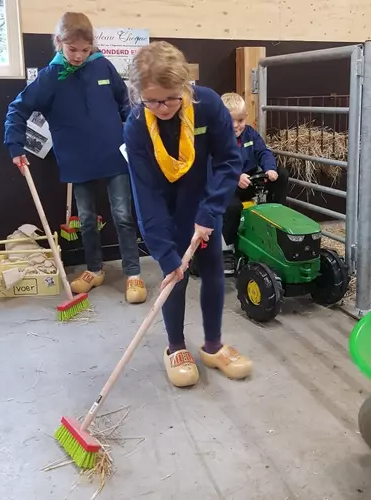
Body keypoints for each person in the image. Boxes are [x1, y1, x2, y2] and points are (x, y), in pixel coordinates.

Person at [124, 41, 253, 387]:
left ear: (184, 87)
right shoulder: (136, 125)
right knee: (174, 277)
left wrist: (210, 211)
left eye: (169, 98)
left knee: (212, 272)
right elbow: (145, 196)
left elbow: (229, 161)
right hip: (165, 211)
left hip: (202, 205)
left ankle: (212, 345)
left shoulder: (208, 105)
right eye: (152, 100)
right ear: (139, 96)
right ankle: (175, 347)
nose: (162, 107)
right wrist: (166, 253)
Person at [4, 12, 146, 304]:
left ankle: (133, 272)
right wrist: (15, 146)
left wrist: (136, 134)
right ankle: (95, 269)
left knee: (122, 215)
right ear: (59, 43)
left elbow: (125, 103)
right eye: (73, 50)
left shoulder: (103, 66)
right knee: (85, 219)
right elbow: (17, 110)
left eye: (85, 49)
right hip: (77, 160)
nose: (80, 56)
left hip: (113, 156)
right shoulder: (50, 78)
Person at [220, 92, 289, 270]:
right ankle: (226, 249)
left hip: (250, 181)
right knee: (232, 206)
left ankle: (276, 219)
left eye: (240, 121)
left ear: (246, 118)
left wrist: (270, 169)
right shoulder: (216, 139)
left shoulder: (250, 134)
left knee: (282, 174)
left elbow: (263, 152)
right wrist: (235, 176)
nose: (236, 126)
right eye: (230, 121)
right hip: (226, 186)